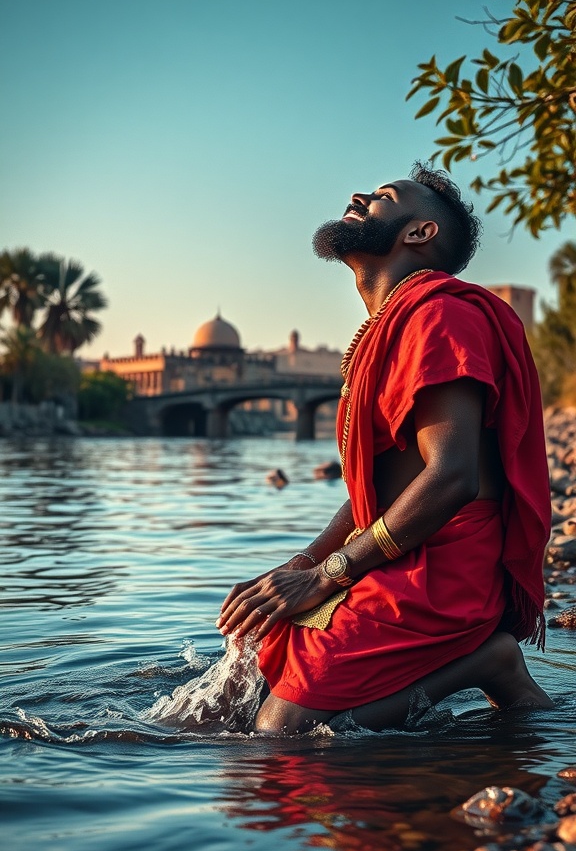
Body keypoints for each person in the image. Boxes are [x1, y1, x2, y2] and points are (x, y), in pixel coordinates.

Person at [217, 162, 553, 734]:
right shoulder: (387, 329)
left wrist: (330, 577)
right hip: (401, 554)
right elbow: (375, 489)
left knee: (281, 737)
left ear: (418, 233)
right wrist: (307, 562)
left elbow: (451, 477)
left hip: (445, 574)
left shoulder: (440, 315)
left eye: (384, 196)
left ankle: (484, 661)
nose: (359, 196)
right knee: (252, 668)